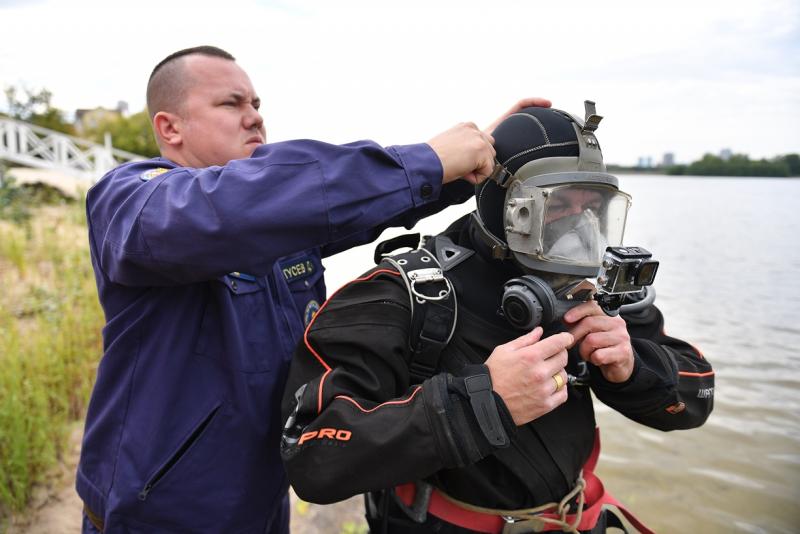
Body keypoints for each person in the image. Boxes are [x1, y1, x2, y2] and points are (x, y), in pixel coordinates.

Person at [76, 44, 550, 533]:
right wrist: (425, 161)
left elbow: (361, 206)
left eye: (257, 105)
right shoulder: (130, 201)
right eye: (231, 104)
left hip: (261, 507)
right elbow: (231, 209)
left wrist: (469, 165)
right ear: (169, 128)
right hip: (154, 516)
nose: (253, 118)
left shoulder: (278, 224)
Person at [280, 102, 715, 533]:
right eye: (561, 204)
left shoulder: (599, 287)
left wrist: (631, 368)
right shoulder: (405, 294)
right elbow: (311, 458)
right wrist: (480, 405)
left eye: (593, 206)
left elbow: (694, 403)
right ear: (510, 203)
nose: (580, 226)